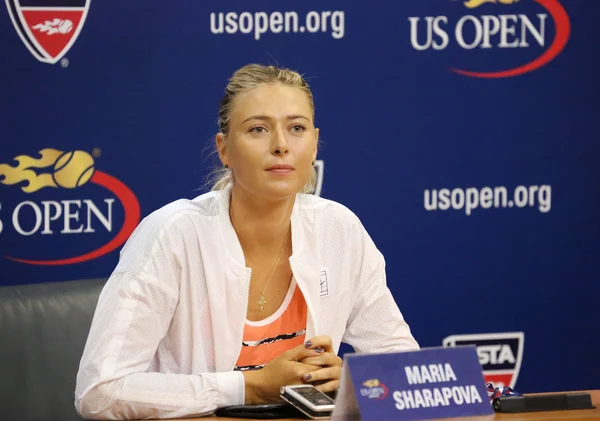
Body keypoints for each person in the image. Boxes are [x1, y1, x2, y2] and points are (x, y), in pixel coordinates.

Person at [75, 63, 419, 420]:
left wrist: (353, 381)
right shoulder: (172, 234)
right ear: (224, 149)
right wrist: (250, 386)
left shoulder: (339, 230)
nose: (281, 145)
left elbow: (405, 365)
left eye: (296, 128)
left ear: (315, 143)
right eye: (258, 129)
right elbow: (100, 391)